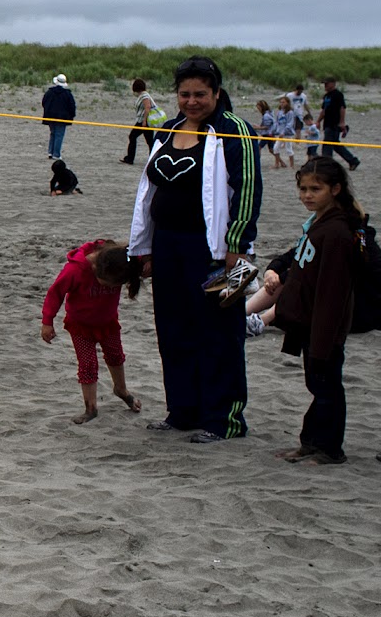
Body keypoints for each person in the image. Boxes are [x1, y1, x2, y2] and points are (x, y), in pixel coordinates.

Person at [127, 55, 262, 442]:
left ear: (216, 93)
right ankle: (183, 410)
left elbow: (248, 189)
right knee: (173, 327)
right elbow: (148, 190)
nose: (191, 101)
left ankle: (223, 418)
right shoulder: (167, 129)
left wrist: (236, 243)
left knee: (218, 332)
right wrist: (145, 246)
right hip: (168, 243)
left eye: (200, 94)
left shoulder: (233, 129)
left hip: (213, 248)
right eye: (184, 94)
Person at [265, 158, 364, 466]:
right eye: (303, 188)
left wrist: (323, 340)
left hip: (324, 330)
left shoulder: (337, 232)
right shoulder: (319, 224)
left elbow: (332, 294)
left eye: (315, 189)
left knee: (327, 386)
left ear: (335, 189)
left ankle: (330, 449)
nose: (307, 195)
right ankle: (310, 442)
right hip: (308, 323)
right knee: (317, 384)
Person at [41, 239, 142, 424]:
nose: (111, 288)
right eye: (108, 284)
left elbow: (139, 253)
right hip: (80, 326)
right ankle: (91, 408)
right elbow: (55, 293)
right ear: (96, 270)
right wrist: (47, 321)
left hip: (108, 323)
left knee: (116, 356)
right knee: (87, 365)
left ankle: (121, 390)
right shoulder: (75, 270)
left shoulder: (120, 259)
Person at [315, 76, 360, 170]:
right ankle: (352, 160)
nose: (325, 86)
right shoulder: (326, 96)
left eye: (327, 84)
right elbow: (324, 110)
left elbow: (342, 108)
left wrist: (342, 122)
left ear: (333, 83)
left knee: (327, 144)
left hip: (334, 123)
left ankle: (326, 163)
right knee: (335, 144)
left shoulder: (338, 95)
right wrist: (318, 121)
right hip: (327, 123)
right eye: (324, 84)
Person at [120, 79, 163, 164]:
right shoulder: (144, 95)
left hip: (144, 121)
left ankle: (131, 158)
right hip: (144, 121)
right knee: (149, 141)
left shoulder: (144, 96)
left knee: (135, 137)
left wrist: (144, 121)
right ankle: (152, 159)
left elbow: (147, 107)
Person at [41, 74, 76, 161]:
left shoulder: (49, 92)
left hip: (50, 117)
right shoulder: (67, 94)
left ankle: (50, 152)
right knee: (59, 135)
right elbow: (72, 106)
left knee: (53, 134)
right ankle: (56, 154)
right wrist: (72, 115)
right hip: (62, 118)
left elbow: (43, 102)